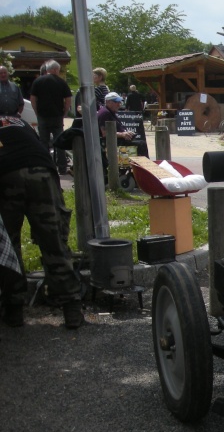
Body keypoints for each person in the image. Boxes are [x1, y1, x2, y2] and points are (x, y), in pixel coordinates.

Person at [0, 115, 83, 329]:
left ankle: (13, 310)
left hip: (6, 174)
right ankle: (72, 308)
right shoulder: (19, 122)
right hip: (43, 172)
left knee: (7, 245)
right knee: (53, 241)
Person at [29, 59, 72, 176]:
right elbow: (68, 99)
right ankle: (62, 168)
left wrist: (36, 112)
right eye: (58, 70)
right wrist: (65, 112)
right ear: (55, 69)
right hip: (57, 116)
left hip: (43, 116)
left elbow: (33, 99)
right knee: (59, 142)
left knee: (43, 142)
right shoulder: (61, 82)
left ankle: (46, 166)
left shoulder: (38, 81)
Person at [98, 92, 149, 157]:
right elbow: (105, 133)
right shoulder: (105, 113)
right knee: (141, 145)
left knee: (141, 142)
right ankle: (142, 166)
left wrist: (127, 133)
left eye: (120, 102)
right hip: (111, 144)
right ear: (108, 102)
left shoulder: (111, 112)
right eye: (117, 102)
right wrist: (122, 134)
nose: (119, 105)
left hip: (117, 141)